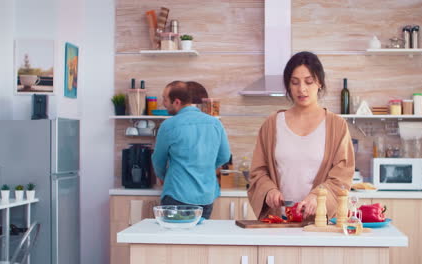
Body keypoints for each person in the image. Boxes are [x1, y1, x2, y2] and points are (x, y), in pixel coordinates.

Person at [247, 51, 355, 220]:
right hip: (279, 221)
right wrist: (269, 189)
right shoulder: (272, 124)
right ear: (288, 85)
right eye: (295, 82)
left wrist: (319, 196)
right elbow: (258, 171)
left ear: (319, 82)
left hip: (320, 223)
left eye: (309, 82)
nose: (301, 89)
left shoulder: (337, 126)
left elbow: (342, 175)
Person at [152, 80, 231, 219]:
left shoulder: (169, 125)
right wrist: (205, 168)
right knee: (198, 239)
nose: (163, 103)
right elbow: (225, 156)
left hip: (177, 194)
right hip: (206, 196)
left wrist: (164, 177)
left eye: (165, 99)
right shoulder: (215, 123)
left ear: (176, 102)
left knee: (174, 239)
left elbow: (158, 160)